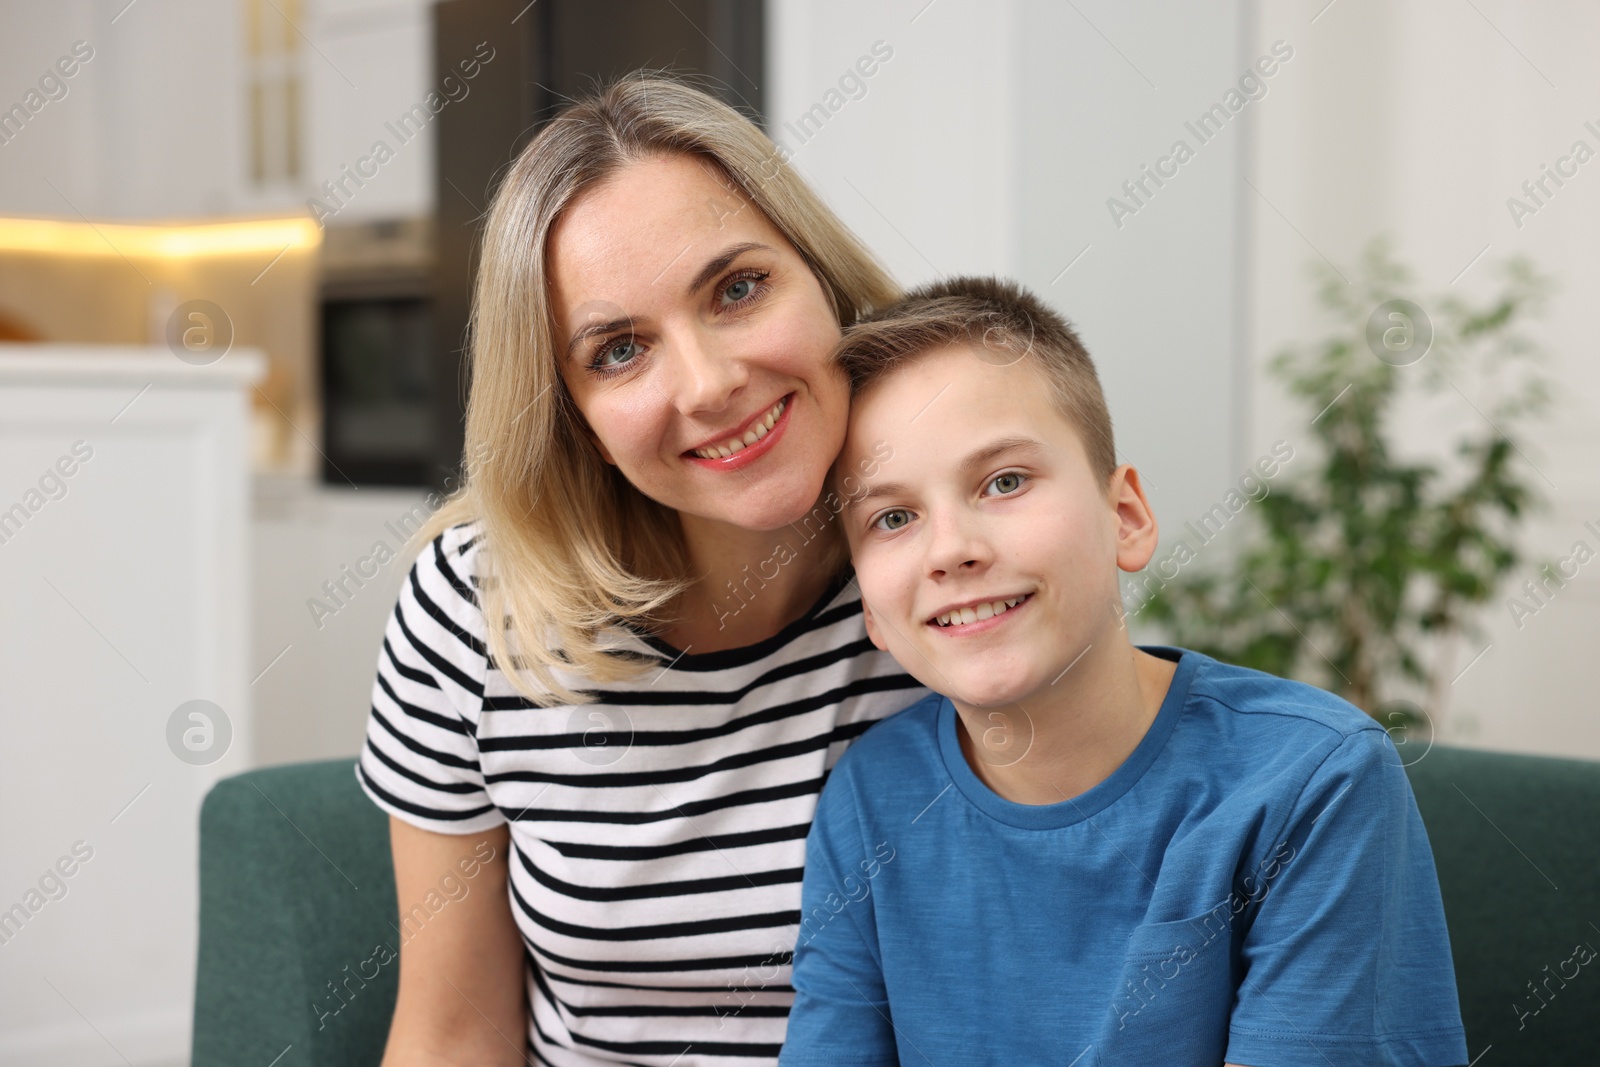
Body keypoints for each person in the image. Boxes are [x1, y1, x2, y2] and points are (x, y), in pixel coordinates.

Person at [354, 75, 930, 1066]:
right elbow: (453, 1033)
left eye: (737, 288)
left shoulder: (956, 560)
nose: (708, 385)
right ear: (566, 407)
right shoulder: (471, 610)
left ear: (824, 281)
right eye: (619, 349)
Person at [778, 276, 1470, 1066]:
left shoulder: (1317, 782)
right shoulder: (870, 800)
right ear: (871, 610)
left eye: (1004, 481)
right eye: (893, 517)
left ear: (1127, 518)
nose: (952, 549)